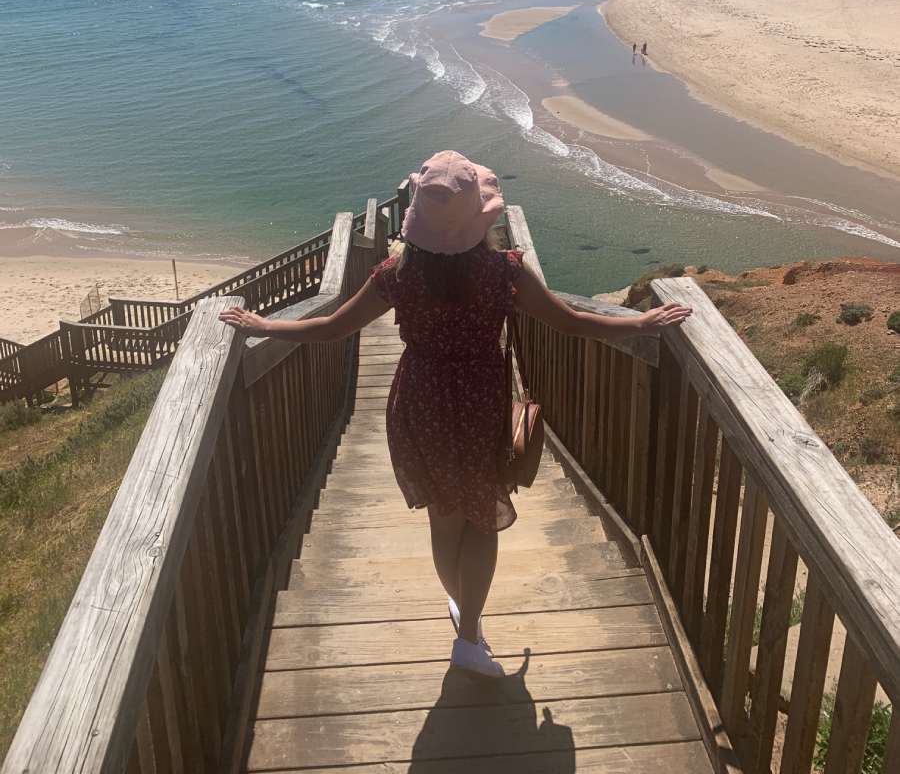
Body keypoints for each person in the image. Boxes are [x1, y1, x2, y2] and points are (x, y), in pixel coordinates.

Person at [220, 151, 691, 679]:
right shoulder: (503, 272)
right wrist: (638, 322)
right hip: (479, 402)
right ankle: (469, 634)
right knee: (481, 520)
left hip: (420, 399)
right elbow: (574, 322)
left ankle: (462, 615)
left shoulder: (395, 274)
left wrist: (266, 324)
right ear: (479, 219)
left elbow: (331, 326)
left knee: (445, 518)